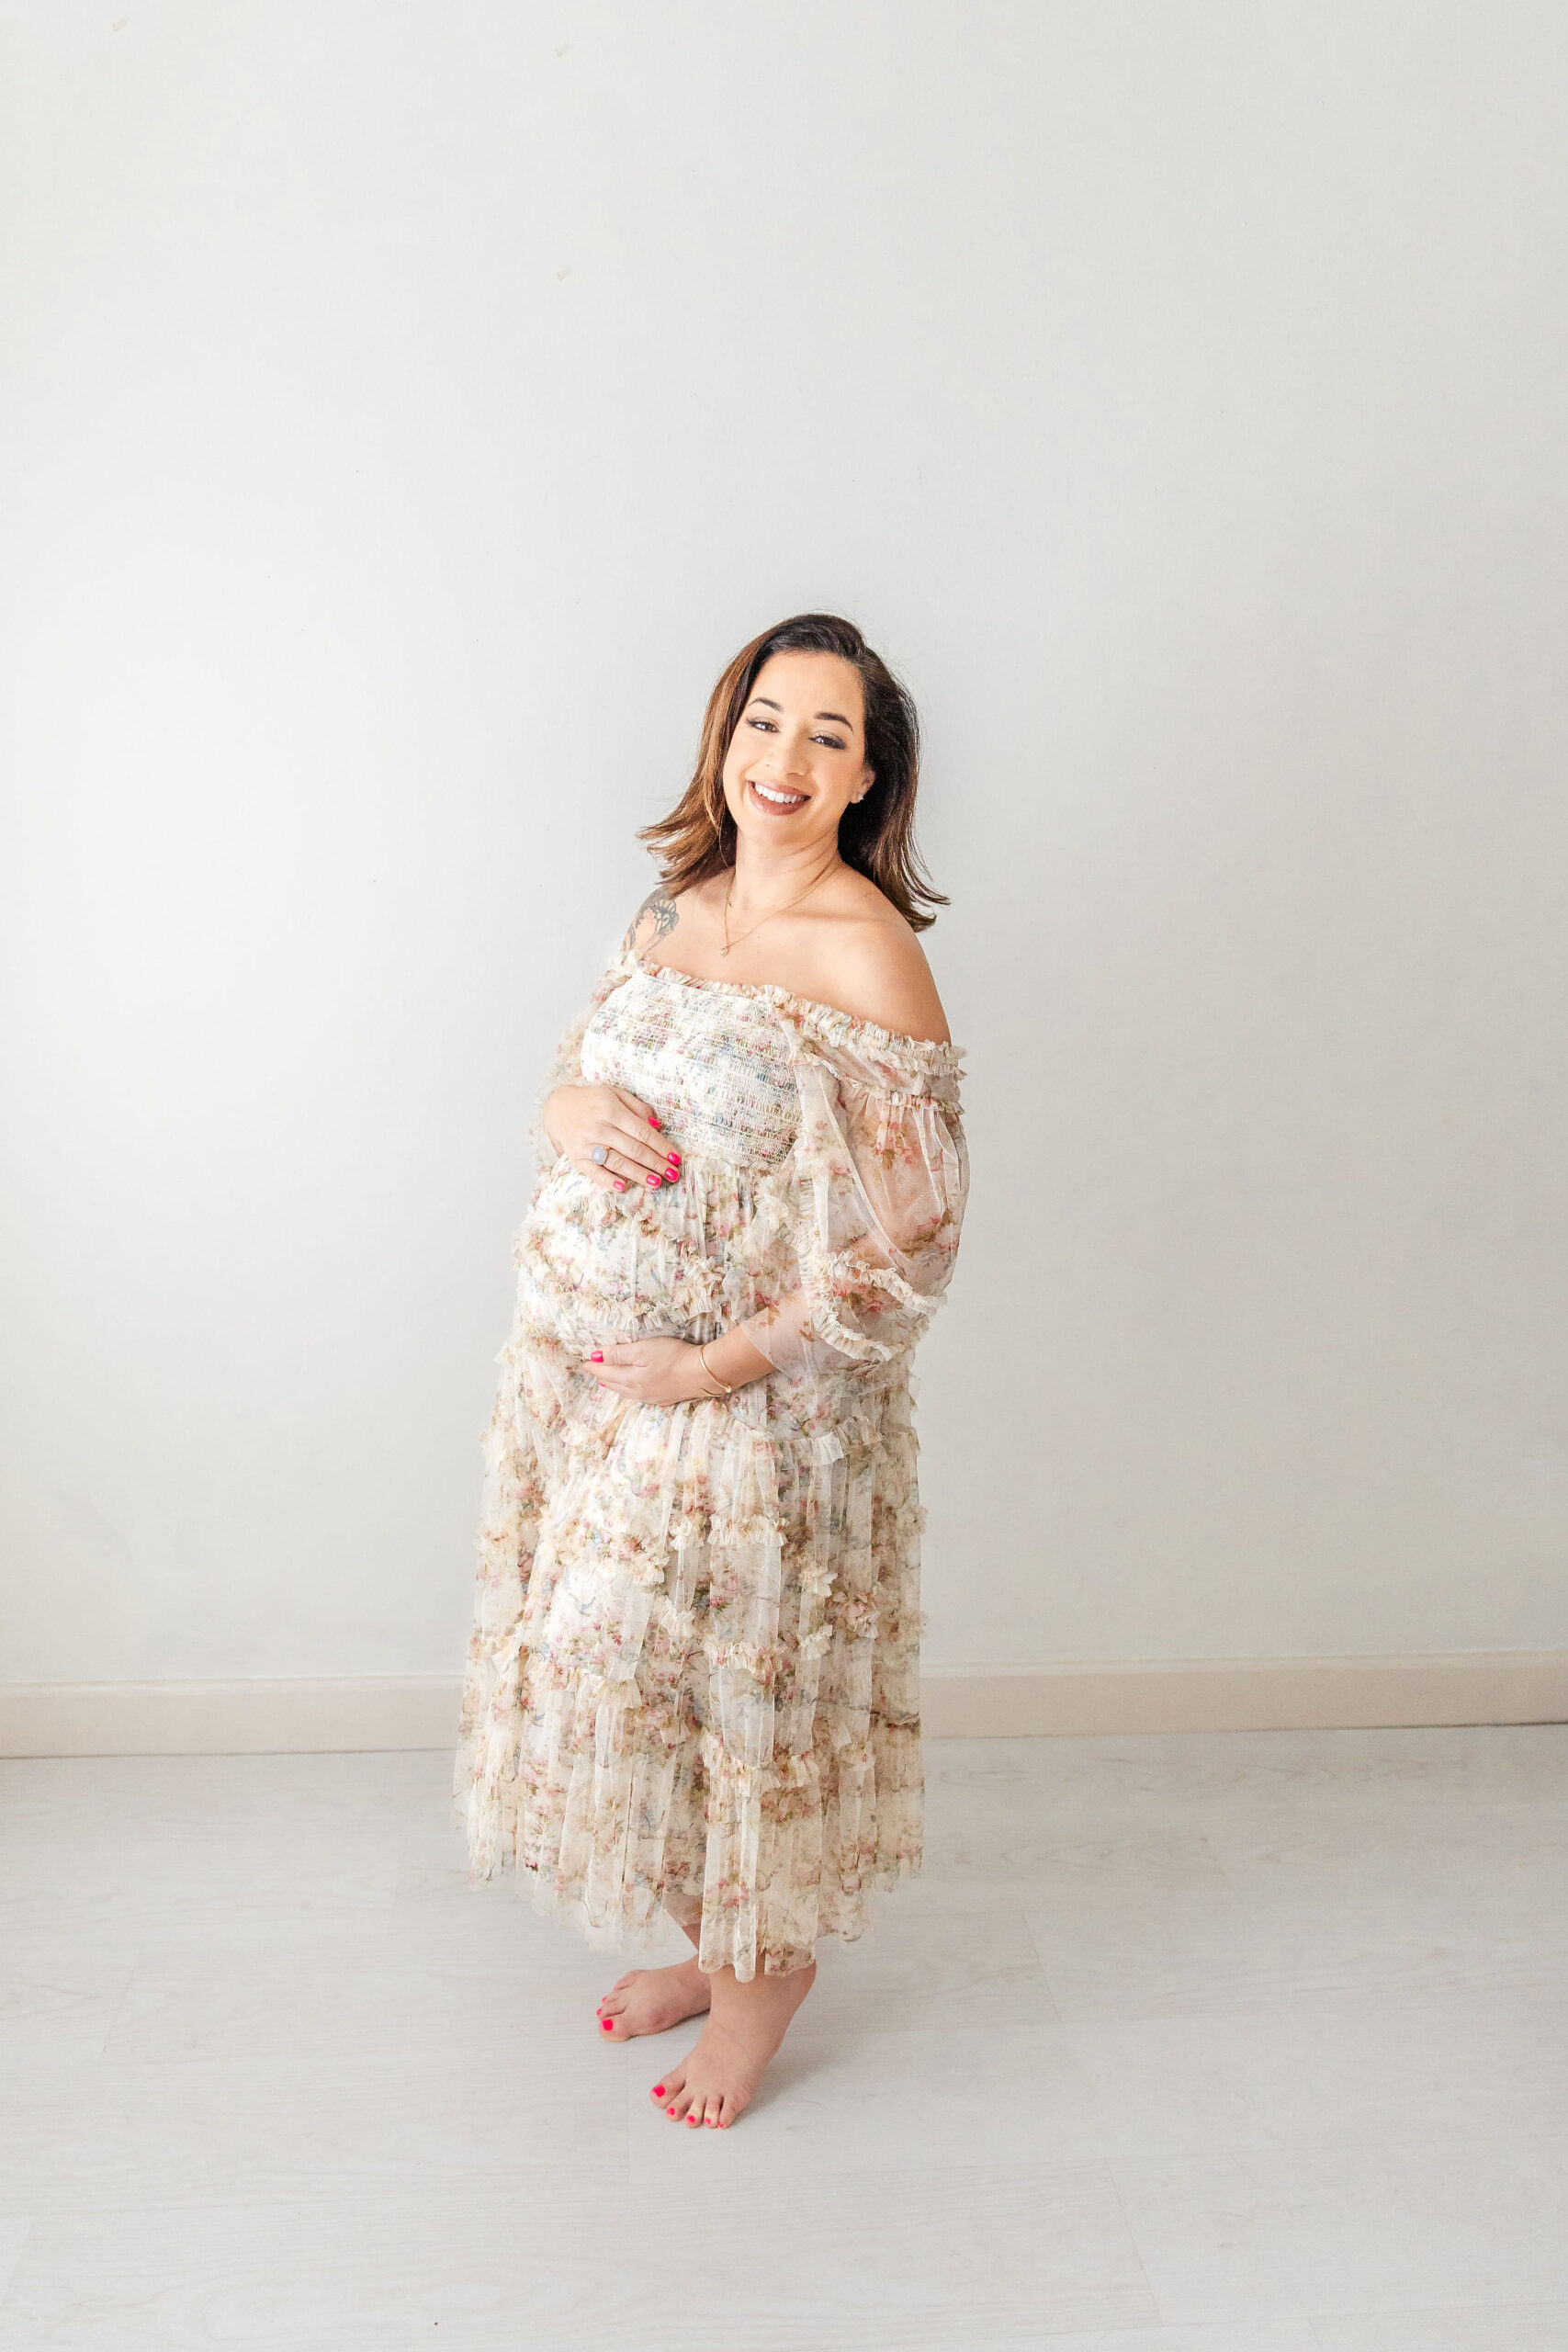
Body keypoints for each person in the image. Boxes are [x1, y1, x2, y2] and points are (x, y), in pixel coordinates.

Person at [453, 611, 969, 2131]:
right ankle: (713, 1940)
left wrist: (710, 1368)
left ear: (871, 779)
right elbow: (586, 1063)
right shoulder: (675, 904)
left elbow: (913, 1245)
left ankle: (760, 1987)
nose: (785, 758)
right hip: (598, 1388)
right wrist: (566, 1106)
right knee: (619, 1690)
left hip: (750, 1411)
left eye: (828, 734)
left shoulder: (871, 956)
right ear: (723, 736)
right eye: (764, 720)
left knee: (732, 1701)